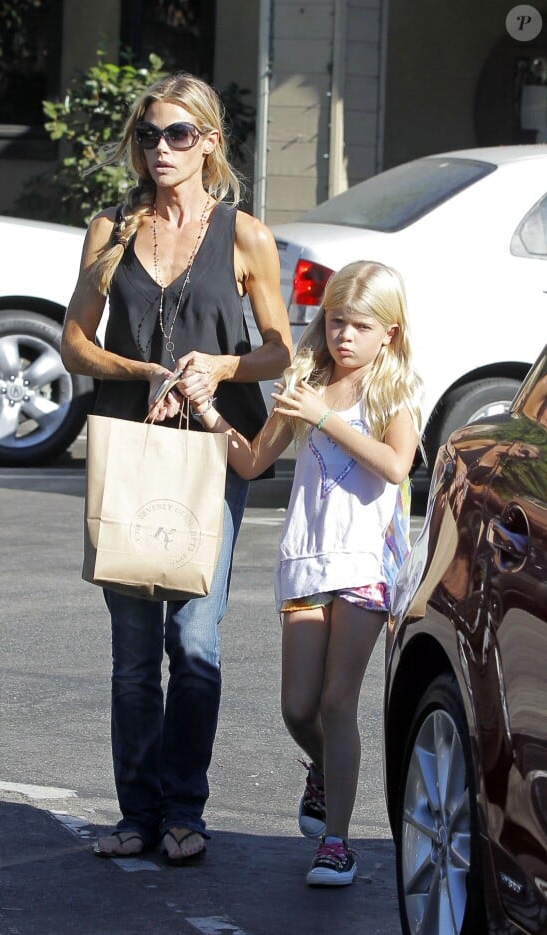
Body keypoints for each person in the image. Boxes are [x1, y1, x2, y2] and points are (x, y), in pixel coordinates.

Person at [61, 72, 292, 862]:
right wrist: (142, 369)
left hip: (211, 456)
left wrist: (220, 371)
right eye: (151, 135)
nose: (162, 149)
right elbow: (74, 342)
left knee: (194, 638)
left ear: (210, 143)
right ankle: (137, 812)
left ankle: (185, 807)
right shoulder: (111, 229)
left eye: (179, 135)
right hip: (128, 449)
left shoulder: (245, 235)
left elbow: (280, 350)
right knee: (132, 653)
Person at [192, 260, 423, 885]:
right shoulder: (307, 381)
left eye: (360, 326)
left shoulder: (392, 390)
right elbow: (252, 461)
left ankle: (337, 845)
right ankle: (328, 773)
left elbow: (397, 467)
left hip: (366, 561)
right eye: (336, 321)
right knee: (299, 708)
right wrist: (210, 412)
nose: (344, 336)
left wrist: (325, 417)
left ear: (390, 335)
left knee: (336, 699)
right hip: (307, 557)